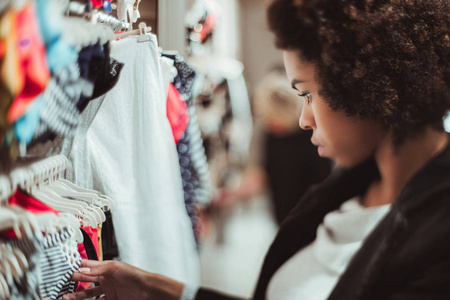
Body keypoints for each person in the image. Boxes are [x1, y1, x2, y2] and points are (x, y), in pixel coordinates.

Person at [63, 0, 450, 299]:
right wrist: (160, 290)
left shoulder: (436, 243)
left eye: (309, 94)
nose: (304, 119)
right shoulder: (349, 193)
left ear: (369, 82)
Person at [215, 69, 332, 224]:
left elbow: (324, 186)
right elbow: (265, 172)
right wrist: (232, 193)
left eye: (273, 120)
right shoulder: (271, 134)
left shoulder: (313, 137)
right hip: (283, 219)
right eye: (267, 120)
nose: (270, 125)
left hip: (313, 221)